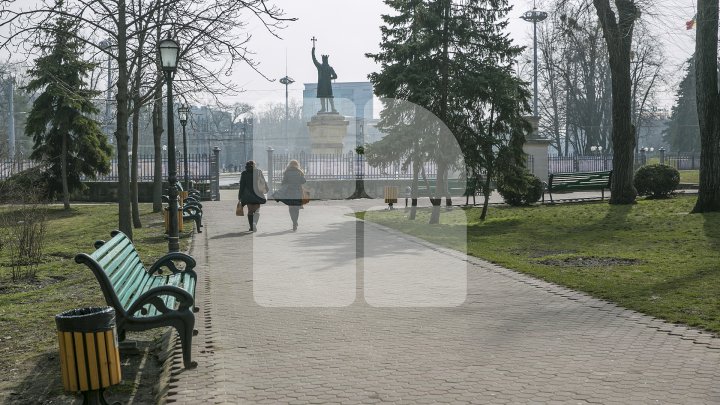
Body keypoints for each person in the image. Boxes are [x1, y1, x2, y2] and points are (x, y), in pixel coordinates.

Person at [275, 160, 307, 231]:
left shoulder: (286, 172)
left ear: (289, 165)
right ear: (297, 165)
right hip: (298, 191)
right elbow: (304, 181)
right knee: (296, 208)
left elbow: (283, 182)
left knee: (291, 208)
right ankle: (295, 222)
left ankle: (294, 222)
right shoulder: (299, 172)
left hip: (289, 192)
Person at [238, 160, 268, 232]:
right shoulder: (258, 172)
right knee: (257, 211)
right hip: (258, 194)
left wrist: (240, 196)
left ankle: (251, 227)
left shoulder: (244, 173)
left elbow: (242, 185)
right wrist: (266, 189)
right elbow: (263, 182)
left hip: (248, 195)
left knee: (250, 211)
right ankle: (254, 223)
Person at [312, 45, 338, 113]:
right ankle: (332, 108)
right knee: (329, 97)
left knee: (323, 97)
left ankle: (324, 108)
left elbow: (314, 60)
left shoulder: (320, 66)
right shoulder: (330, 68)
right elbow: (335, 76)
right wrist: (329, 78)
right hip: (328, 85)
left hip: (321, 85)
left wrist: (313, 51)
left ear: (323, 60)